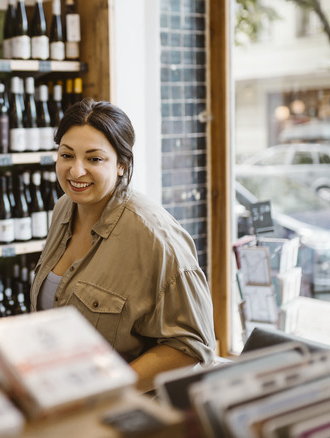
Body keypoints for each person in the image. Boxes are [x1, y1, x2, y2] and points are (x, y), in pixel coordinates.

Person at [30, 98, 216, 392]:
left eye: (94, 159)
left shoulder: (156, 236)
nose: (76, 171)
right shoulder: (64, 208)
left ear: (121, 165)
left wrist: (107, 388)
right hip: (63, 398)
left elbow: (191, 346)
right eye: (67, 155)